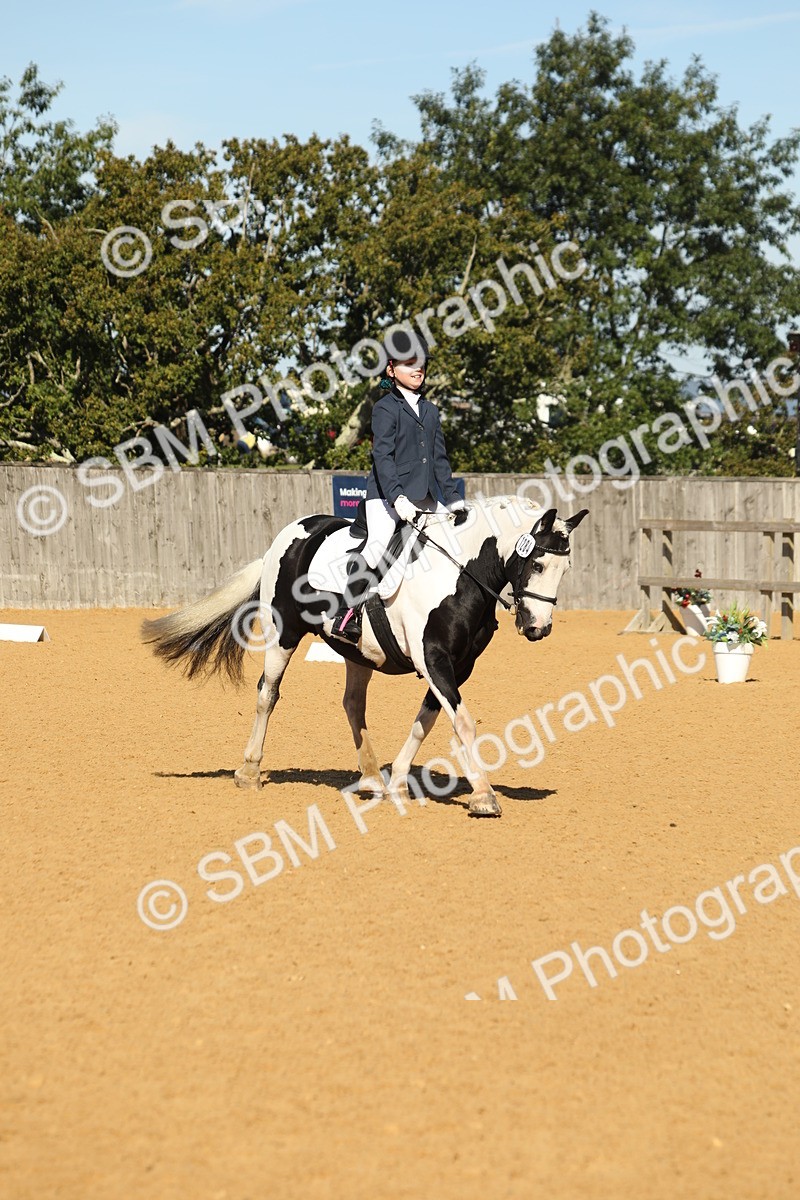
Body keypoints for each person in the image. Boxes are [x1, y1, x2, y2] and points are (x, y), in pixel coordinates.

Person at [331, 338, 466, 642]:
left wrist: (454, 500)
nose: (417, 368)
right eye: (409, 364)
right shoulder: (384, 408)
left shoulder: (430, 411)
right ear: (391, 369)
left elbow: (440, 460)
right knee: (378, 545)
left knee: (455, 543)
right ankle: (347, 614)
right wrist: (398, 498)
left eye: (421, 363)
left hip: (427, 496)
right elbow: (383, 457)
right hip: (386, 496)